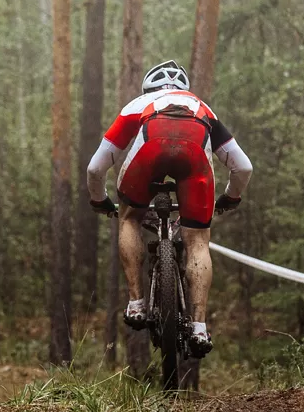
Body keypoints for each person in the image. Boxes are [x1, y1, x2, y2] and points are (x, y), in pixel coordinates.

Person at [85, 60, 252, 356]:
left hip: (149, 148)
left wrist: (100, 200)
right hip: (196, 155)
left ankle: (136, 304)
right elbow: (243, 167)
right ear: (184, 89)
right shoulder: (203, 108)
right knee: (198, 240)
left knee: (130, 218)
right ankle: (199, 328)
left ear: (148, 87)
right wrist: (230, 197)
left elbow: (96, 168)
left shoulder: (137, 105)